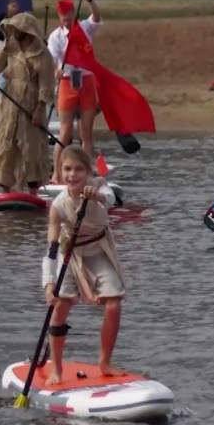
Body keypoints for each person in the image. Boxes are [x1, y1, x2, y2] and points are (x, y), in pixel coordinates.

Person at [41, 145, 125, 383]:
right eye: (67, 169)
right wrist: (48, 283)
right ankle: (56, 368)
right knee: (60, 305)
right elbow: (52, 248)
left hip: (99, 250)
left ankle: (105, 362)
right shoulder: (58, 206)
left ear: (88, 171)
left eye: (79, 169)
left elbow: (110, 200)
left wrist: (95, 196)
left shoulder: (99, 186)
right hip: (71, 253)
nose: (72, 175)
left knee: (114, 302)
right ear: (60, 172)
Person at [0, 11, 53, 194]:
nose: (15, 32)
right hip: (10, 104)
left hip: (31, 104)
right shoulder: (10, 47)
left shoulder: (43, 54)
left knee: (31, 147)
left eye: (18, 29)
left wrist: (40, 108)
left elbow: (47, 84)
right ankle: (5, 187)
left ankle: (33, 188)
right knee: (6, 143)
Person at [47, 0, 102, 182]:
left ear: (74, 15)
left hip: (86, 80)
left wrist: (90, 1)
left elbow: (96, 18)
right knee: (65, 130)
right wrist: (57, 71)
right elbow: (53, 62)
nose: (67, 23)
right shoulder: (55, 36)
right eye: (64, 21)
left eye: (70, 20)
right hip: (67, 83)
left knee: (86, 131)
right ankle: (56, 173)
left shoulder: (85, 28)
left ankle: (86, 172)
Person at [0, 0, 22, 104]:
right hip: (3, 46)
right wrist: (5, 33)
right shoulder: (2, 17)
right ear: (8, 7)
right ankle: (1, 100)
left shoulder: (20, 19)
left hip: (16, 48)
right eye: (12, 6)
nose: (14, 8)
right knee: (2, 74)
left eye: (16, 6)